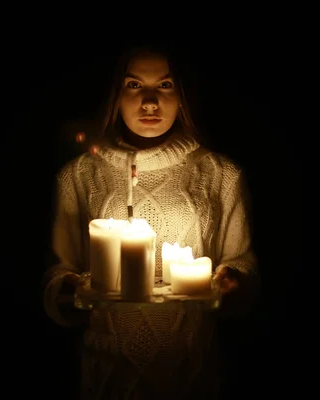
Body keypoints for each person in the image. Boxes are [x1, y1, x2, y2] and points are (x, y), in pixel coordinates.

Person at [42, 43, 260, 399]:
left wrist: (234, 281)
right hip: (107, 375)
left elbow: (241, 264)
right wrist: (65, 291)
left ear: (182, 93)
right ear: (116, 93)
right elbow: (57, 269)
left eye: (164, 85)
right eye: (134, 85)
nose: (149, 102)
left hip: (192, 373)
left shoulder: (219, 175)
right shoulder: (79, 176)